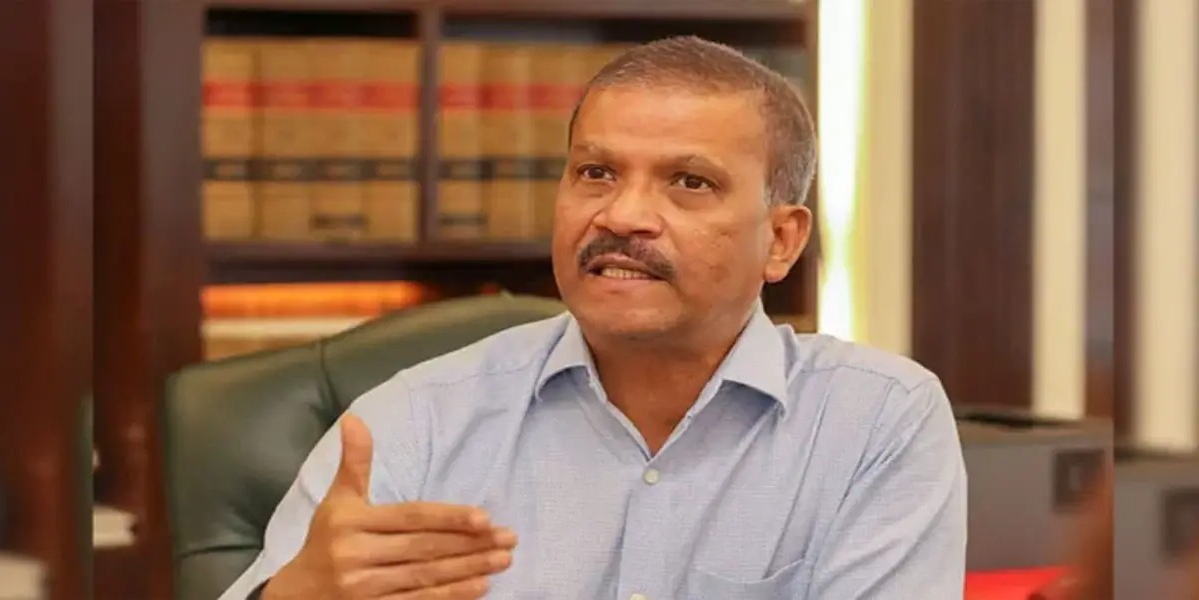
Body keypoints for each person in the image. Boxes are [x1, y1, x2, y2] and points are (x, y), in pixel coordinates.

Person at [220, 35, 967, 600]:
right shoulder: (417, 421)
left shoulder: (876, 421)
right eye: (596, 172)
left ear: (780, 240)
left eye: (689, 182)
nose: (623, 214)